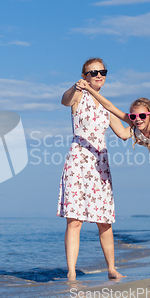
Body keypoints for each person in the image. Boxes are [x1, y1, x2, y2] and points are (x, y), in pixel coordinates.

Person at [57, 58, 130, 281]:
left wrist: (144, 121)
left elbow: (125, 134)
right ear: (85, 75)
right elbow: (64, 101)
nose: (99, 75)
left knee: (104, 220)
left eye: (103, 72)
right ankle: (71, 272)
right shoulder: (79, 95)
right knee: (74, 220)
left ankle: (111, 268)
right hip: (78, 162)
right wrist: (75, 86)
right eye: (93, 72)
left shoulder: (106, 105)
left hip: (100, 166)